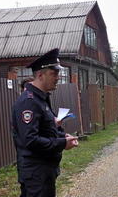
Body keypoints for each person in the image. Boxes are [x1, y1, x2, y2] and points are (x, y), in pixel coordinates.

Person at [12, 48, 79, 197]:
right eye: (54, 73)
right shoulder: (29, 102)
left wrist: (62, 136)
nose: (58, 77)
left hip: (44, 170)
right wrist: (62, 143)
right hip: (36, 173)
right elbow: (30, 140)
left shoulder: (41, 99)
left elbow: (46, 128)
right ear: (40, 75)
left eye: (58, 73)